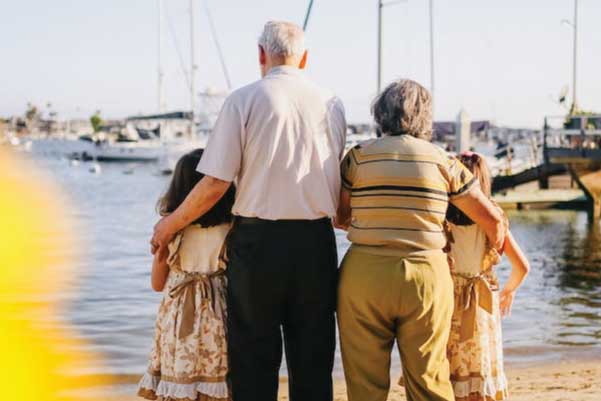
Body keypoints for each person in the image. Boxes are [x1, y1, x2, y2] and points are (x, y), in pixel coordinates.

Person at [150, 21, 347, 401]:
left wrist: (169, 224)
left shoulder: (243, 100)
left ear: (261, 54)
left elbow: (214, 183)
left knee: (254, 361)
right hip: (316, 243)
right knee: (313, 358)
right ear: (304, 58)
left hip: (258, 244)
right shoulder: (332, 103)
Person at [335, 79, 506, 401]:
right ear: (425, 117)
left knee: (364, 384)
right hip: (427, 275)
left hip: (364, 274)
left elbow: (339, 217)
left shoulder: (357, 158)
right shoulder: (444, 161)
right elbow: (492, 219)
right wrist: (489, 260)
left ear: (380, 114)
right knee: (428, 379)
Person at [138, 149, 236, 401]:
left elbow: (157, 284)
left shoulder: (169, 229)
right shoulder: (233, 228)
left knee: (179, 374)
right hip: (220, 311)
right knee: (216, 375)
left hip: (179, 314)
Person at [445, 152, 530, 401]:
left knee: (447, 374)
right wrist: (508, 291)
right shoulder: (493, 219)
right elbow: (522, 266)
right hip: (481, 305)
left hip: (448, 302)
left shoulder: (440, 216)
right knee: (478, 373)